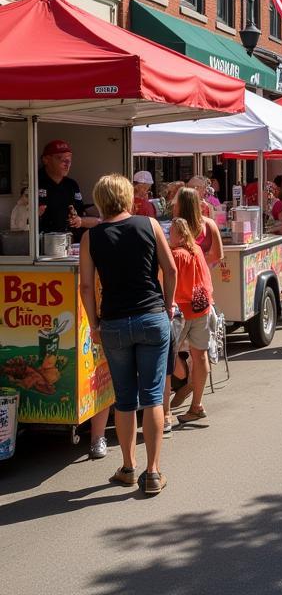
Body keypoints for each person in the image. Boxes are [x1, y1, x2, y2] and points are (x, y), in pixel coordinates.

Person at [78, 174, 176, 496]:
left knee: (124, 399)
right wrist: (168, 303)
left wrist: (94, 323)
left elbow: (87, 286)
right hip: (151, 316)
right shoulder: (149, 225)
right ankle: (153, 472)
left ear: (100, 200)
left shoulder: (91, 237)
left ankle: (128, 467)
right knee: (151, 396)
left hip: (115, 323)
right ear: (128, 197)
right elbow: (171, 269)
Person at [168, 217, 214, 424]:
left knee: (168, 357)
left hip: (181, 311)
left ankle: (165, 412)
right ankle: (197, 404)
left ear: (176, 235)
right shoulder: (196, 249)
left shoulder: (176, 254)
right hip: (202, 308)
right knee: (200, 356)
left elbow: (166, 280)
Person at [37, 138, 98, 237]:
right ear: (46, 160)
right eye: (60, 158)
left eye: (69, 158)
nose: (67, 163)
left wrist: (99, 208)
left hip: (69, 241)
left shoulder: (71, 184)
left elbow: (79, 210)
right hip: (43, 242)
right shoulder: (35, 182)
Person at [173, 187, 223, 269]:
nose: (174, 206)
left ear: (182, 206)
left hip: (184, 274)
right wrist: (199, 263)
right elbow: (218, 255)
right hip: (203, 273)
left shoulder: (177, 227)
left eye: (176, 203)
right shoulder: (210, 223)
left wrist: (191, 265)